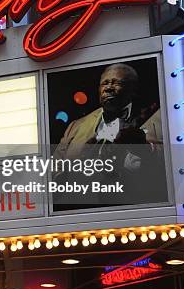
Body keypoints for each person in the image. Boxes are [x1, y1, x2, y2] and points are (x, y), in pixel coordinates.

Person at [52, 63, 164, 205]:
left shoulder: (155, 118)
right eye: (105, 83)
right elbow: (55, 167)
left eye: (117, 82)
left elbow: (168, 161)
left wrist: (145, 149)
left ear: (133, 90)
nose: (109, 87)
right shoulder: (76, 126)